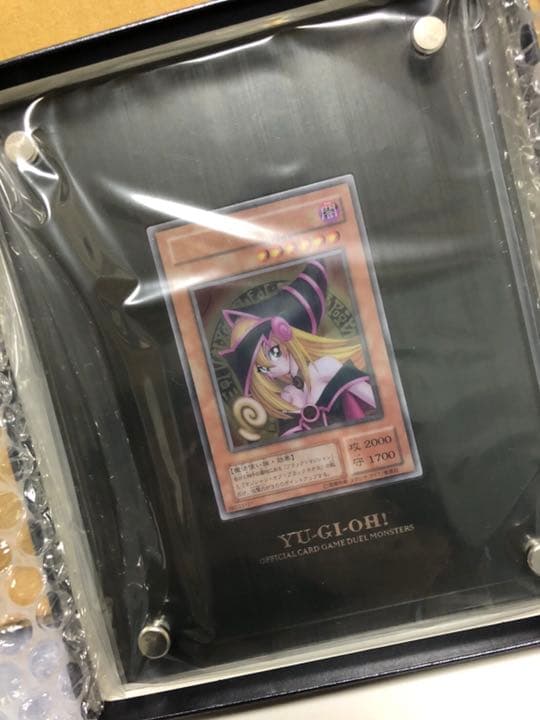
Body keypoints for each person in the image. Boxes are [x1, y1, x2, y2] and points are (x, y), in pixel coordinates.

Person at [220, 259, 376, 438]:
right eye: (262, 368)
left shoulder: (324, 367)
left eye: (273, 352)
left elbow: (379, 404)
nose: (271, 369)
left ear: (285, 336)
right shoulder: (286, 396)